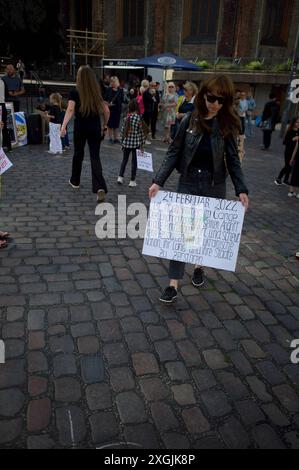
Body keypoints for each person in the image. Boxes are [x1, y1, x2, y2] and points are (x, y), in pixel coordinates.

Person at [149, 74, 249, 304]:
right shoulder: (190, 120)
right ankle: (172, 285)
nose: (214, 103)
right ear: (204, 95)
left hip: (214, 185)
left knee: (204, 233)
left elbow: (233, 159)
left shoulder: (228, 125)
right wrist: (158, 181)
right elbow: (174, 152)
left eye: (220, 100)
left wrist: (241, 188)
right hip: (189, 182)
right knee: (181, 235)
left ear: (226, 102)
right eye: (211, 97)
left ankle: (199, 266)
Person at [61, 65, 110, 203]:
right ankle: (99, 186)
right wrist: (105, 125)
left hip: (80, 127)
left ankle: (75, 181)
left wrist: (63, 126)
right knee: (95, 156)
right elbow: (106, 111)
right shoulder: (97, 92)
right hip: (94, 127)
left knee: (78, 153)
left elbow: (70, 109)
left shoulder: (74, 92)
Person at [117, 100, 146, 188]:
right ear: (137, 108)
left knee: (124, 160)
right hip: (136, 144)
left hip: (126, 144)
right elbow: (141, 133)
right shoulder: (138, 118)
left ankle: (120, 177)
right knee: (134, 162)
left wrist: (123, 143)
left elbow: (122, 133)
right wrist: (142, 145)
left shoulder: (126, 118)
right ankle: (132, 181)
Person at [275, 116, 299, 186]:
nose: (298, 124)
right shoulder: (290, 131)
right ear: (293, 123)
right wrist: (293, 139)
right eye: (297, 122)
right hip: (288, 152)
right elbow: (285, 142)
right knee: (287, 165)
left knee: (290, 166)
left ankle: (286, 180)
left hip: (296, 152)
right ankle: (279, 178)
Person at [105, 76, 124, 145]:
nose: (112, 83)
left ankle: (116, 138)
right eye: (111, 81)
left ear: (116, 82)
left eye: (113, 81)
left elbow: (122, 100)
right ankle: (110, 138)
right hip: (110, 110)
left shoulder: (120, 90)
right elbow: (105, 99)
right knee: (110, 125)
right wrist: (107, 104)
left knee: (116, 125)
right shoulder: (108, 89)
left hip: (117, 110)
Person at [288, 126, 299, 198]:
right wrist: (292, 159)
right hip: (298, 159)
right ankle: (291, 191)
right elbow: (295, 149)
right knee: (294, 173)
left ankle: (298, 192)